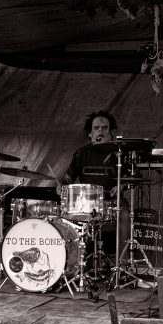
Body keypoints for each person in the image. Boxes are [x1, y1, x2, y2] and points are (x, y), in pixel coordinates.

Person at [60, 110, 131, 263]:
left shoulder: (119, 153)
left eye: (104, 128)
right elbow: (69, 176)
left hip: (112, 202)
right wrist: (62, 185)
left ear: (111, 132)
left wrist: (122, 186)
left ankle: (122, 265)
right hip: (84, 203)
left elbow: (133, 177)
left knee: (124, 215)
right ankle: (72, 264)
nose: (100, 131)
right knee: (64, 217)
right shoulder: (81, 153)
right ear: (90, 134)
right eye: (96, 128)